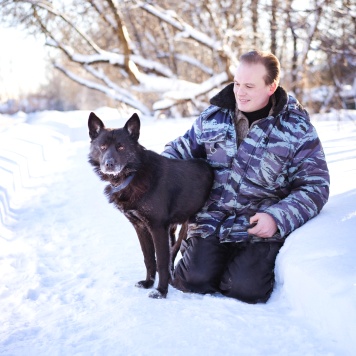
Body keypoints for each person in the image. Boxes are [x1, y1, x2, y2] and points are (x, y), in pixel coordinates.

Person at [162, 50, 330, 303]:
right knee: (192, 281)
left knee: (245, 290)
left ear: (271, 86)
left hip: (257, 225)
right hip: (213, 220)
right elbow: (177, 152)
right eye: (237, 83)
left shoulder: (297, 129)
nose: (239, 92)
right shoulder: (213, 118)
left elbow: (316, 186)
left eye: (249, 86)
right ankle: (200, 253)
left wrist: (277, 218)